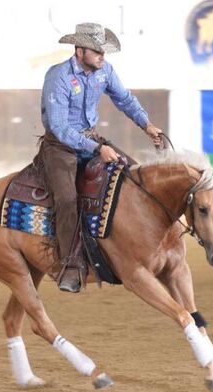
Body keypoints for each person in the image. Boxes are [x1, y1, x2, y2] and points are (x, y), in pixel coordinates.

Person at [38, 22, 165, 293]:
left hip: (91, 139)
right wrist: (97, 149)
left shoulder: (104, 70)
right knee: (67, 199)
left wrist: (147, 125)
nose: (102, 57)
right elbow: (60, 129)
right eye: (97, 52)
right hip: (60, 147)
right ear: (79, 50)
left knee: (133, 176)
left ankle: (130, 247)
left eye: (103, 52)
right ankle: (70, 264)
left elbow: (125, 99)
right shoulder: (58, 77)